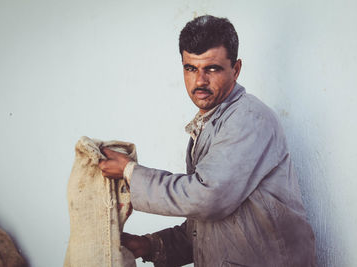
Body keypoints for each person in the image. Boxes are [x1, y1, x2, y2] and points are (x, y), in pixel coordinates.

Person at [99, 15, 316, 267]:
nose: (200, 81)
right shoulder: (209, 124)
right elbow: (203, 228)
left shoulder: (249, 119)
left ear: (235, 69)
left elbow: (208, 198)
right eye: (190, 68)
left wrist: (130, 172)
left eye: (212, 68)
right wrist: (150, 245)